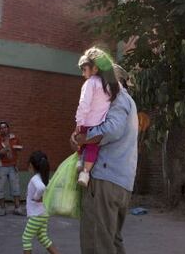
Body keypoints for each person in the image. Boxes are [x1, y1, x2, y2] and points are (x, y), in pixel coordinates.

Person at [71, 63, 138, 254]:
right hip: (119, 180)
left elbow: (111, 130)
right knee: (111, 240)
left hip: (105, 179)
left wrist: (84, 138)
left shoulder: (119, 99)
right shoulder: (125, 102)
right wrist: (79, 139)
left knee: (97, 240)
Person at [74, 47, 120, 187]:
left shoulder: (90, 83)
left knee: (81, 142)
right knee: (93, 148)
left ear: (94, 69)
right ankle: (86, 173)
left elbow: (84, 104)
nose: (83, 73)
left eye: (84, 69)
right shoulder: (109, 86)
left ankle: (80, 162)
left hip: (86, 122)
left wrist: (78, 122)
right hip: (99, 125)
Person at [22, 151, 60, 254]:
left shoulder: (35, 179)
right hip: (43, 213)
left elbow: (41, 188)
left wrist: (36, 197)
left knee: (26, 238)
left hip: (36, 215)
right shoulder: (45, 178)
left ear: (31, 165)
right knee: (43, 237)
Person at [0, 121, 24, 216]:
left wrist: (17, 147)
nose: (3, 129)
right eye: (1, 128)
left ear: (8, 128)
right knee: (0, 187)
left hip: (13, 166)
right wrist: (2, 151)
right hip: (2, 166)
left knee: (15, 187)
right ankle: (2, 209)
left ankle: (17, 208)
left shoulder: (14, 138)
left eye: (5, 127)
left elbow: (20, 147)